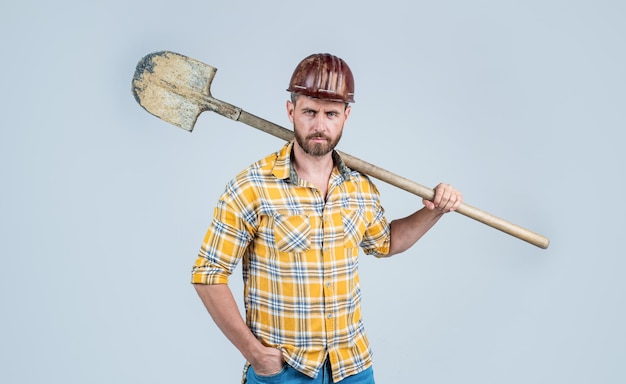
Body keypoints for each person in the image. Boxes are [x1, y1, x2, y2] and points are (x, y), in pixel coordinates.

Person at [191, 53, 463, 384]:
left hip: (352, 368)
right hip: (284, 372)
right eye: (310, 112)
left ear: (346, 116)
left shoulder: (360, 188)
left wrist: (433, 211)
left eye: (331, 114)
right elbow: (208, 274)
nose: (320, 126)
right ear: (291, 111)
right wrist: (254, 353)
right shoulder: (251, 187)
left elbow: (387, 243)